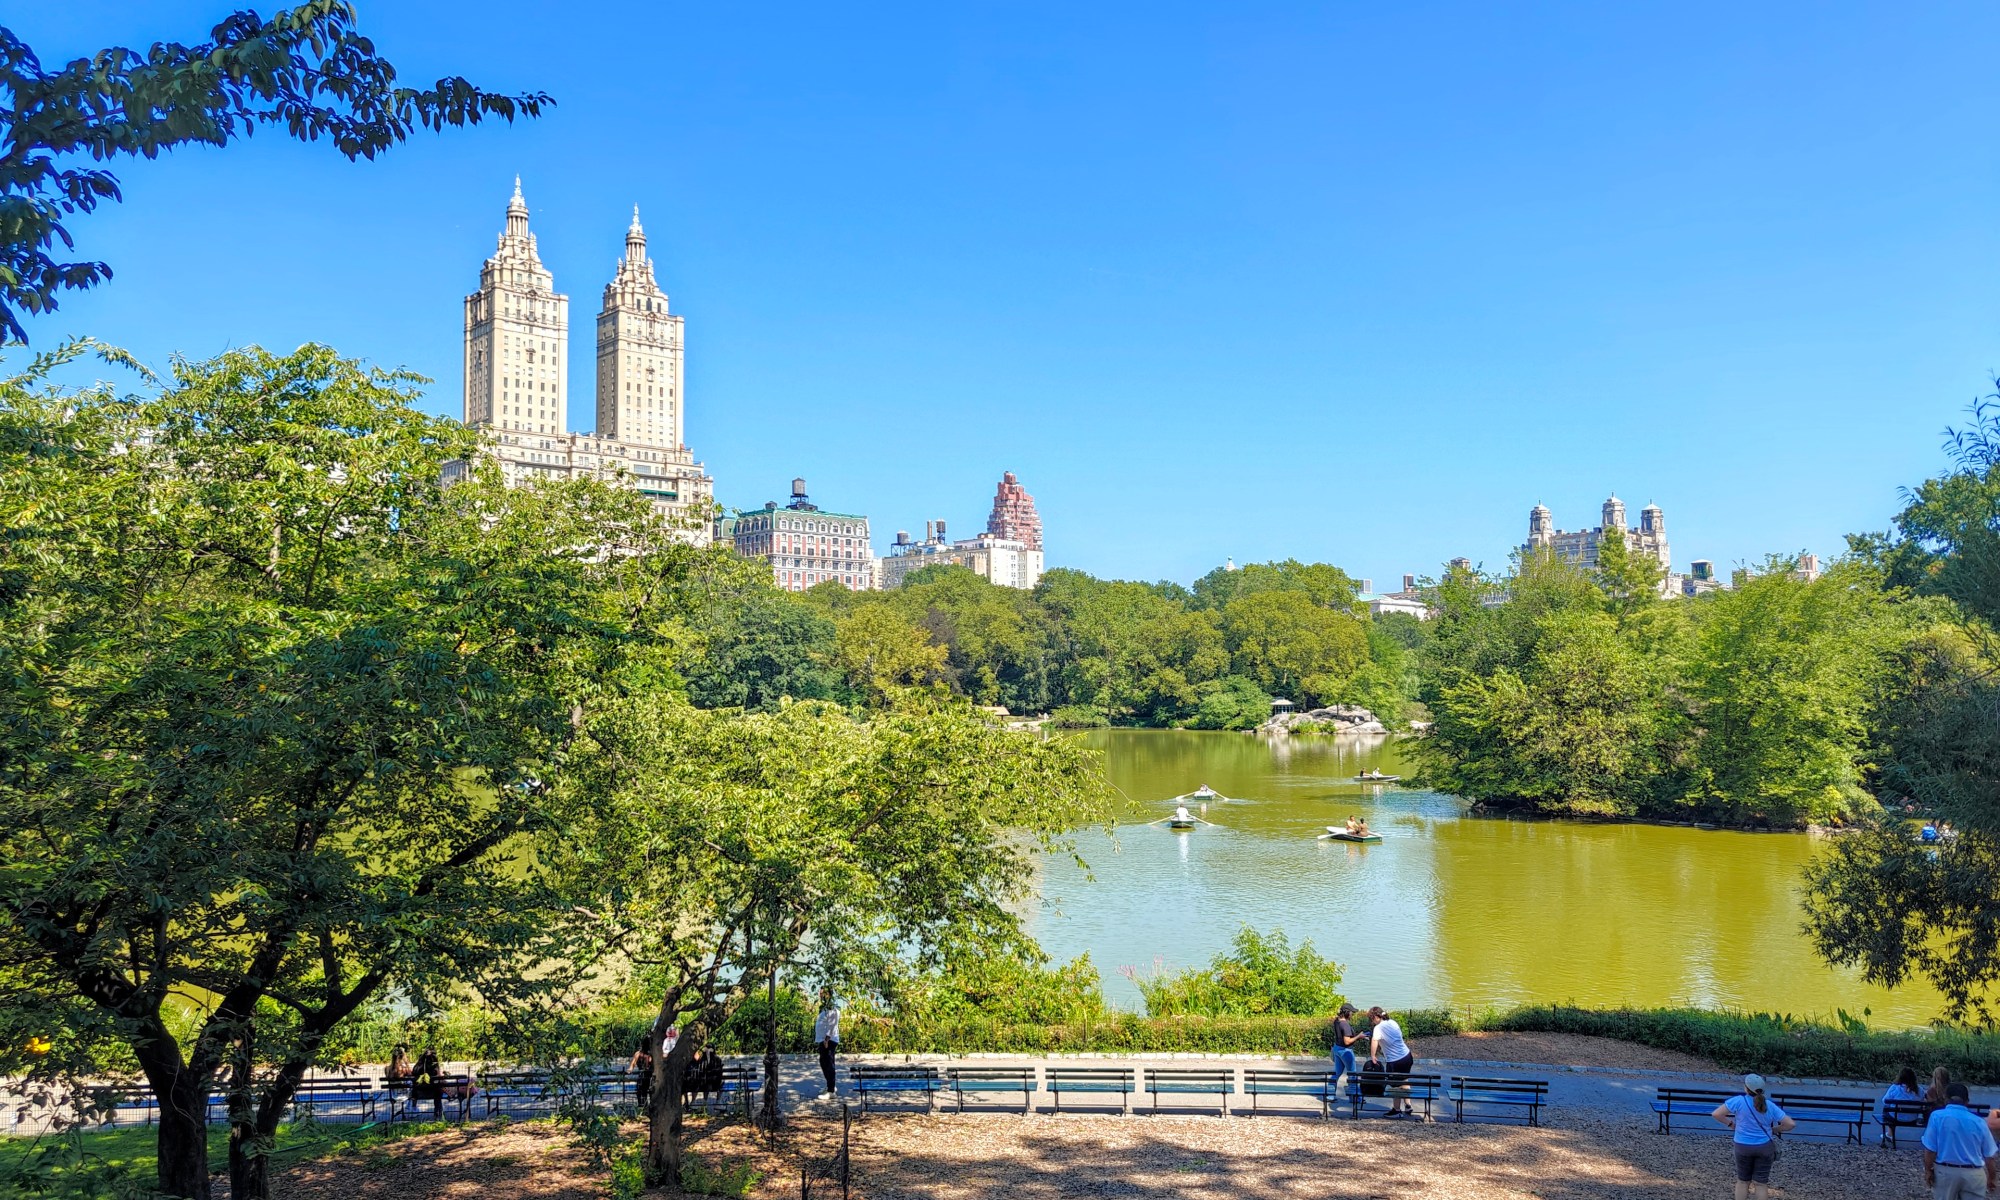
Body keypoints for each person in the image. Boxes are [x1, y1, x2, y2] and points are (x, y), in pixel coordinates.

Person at [1711, 1073, 1794, 1200]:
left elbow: (1716, 1114)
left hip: (1742, 1146)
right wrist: (1774, 1130)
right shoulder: (1769, 1105)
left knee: (1743, 1181)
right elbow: (1790, 1124)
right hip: (1764, 1146)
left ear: (1746, 1088)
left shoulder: (1738, 1101)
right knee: (1761, 1184)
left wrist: (1731, 1124)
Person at [1922, 1082, 1998, 1199]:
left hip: (1945, 1171)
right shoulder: (1979, 1121)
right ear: (1967, 1101)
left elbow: (1930, 1149)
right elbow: (1990, 1155)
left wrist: (1928, 1170)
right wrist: (1992, 1177)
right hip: (1973, 1173)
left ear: (1945, 1099)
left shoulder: (1937, 1117)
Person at [1367, 1006, 1415, 1117]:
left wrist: (1373, 1056)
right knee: (1404, 1079)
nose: (1372, 1021)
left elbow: (1374, 1041)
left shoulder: (1378, 1028)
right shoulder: (1393, 1022)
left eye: (1372, 1018)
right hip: (1407, 1056)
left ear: (1376, 1017)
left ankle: (1396, 1110)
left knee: (1395, 1086)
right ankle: (1408, 1105)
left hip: (1394, 1061)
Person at [1880, 1066, 1924, 1147]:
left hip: (1895, 1118)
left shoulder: (1895, 1088)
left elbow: (1885, 1101)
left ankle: (1890, 1134)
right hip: (1912, 1119)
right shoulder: (1920, 1090)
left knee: (1886, 1109)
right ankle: (1889, 1134)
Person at [1329, 1003, 1365, 1085]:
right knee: (1352, 1074)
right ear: (1347, 1013)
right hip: (1346, 1051)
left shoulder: (1337, 1021)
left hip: (1337, 1048)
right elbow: (1347, 1041)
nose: (1352, 1014)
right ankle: (1353, 1096)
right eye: (1352, 1012)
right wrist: (1359, 1036)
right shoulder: (1345, 1025)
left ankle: (1330, 1094)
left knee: (1337, 1073)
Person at [814, 989, 841, 1096]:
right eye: (820, 993)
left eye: (822, 993)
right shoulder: (825, 1007)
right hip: (823, 1039)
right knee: (824, 1063)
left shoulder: (832, 1007)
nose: (820, 995)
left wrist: (827, 1039)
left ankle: (831, 1091)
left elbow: (832, 1024)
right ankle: (830, 1085)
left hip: (828, 1040)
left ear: (828, 994)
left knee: (828, 1064)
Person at [411, 1047, 444, 1119]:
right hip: (433, 1093)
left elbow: (412, 1074)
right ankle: (437, 1111)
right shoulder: (435, 1067)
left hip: (419, 1093)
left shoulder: (417, 1067)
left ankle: (413, 1109)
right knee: (438, 1088)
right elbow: (440, 1077)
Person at [629, 1035, 654, 1111]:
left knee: (643, 1095)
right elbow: (632, 1065)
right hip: (648, 1077)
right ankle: (646, 1109)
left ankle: (645, 1109)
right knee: (647, 1094)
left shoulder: (638, 1054)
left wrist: (629, 1070)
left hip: (644, 1077)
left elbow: (631, 1066)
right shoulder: (652, 1054)